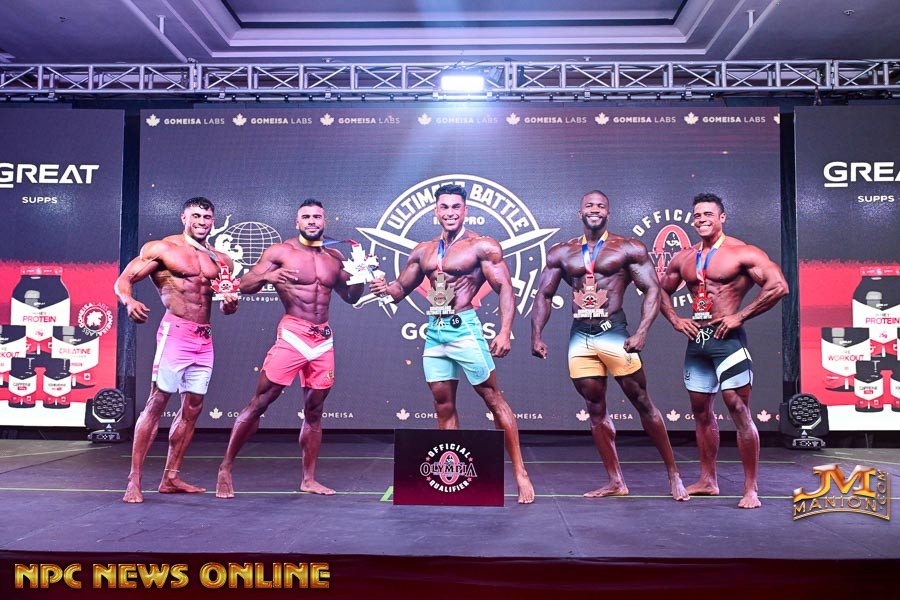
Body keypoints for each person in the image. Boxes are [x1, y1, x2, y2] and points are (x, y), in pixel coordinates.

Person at [370, 183, 535, 504]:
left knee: (492, 397)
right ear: (436, 211)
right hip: (435, 331)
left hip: (464, 328)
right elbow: (399, 290)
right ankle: (455, 473)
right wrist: (383, 289)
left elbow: (505, 288)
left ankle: (520, 473)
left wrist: (505, 331)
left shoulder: (481, 246)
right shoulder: (424, 250)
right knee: (443, 405)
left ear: (465, 210)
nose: (450, 212)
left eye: (455, 207)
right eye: (444, 207)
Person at [531, 190, 689, 501]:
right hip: (580, 335)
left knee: (642, 401)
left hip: (614, 332)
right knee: (594, 409)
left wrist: (642, 331)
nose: (595, 210)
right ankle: (616, 481)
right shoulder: (562, 252)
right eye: (589, 206)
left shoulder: (628, 248)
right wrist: (536, 335)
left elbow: (653, 289)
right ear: (580, 213)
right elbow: (544, 295)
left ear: (608, 213)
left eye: (601, 206)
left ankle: (674, 475)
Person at [216, 199, 363, 498]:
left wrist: (362, 275)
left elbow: (351, 297)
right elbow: (244, 284)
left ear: (325, 221)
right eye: (306, 217)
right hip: (294, 333)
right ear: (297, 222)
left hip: (323, 339)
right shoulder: (281, 252)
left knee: (315, 410)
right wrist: (267, 276)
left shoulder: (335, 257)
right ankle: (225, 468)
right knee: (261, 402)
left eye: (317, 216)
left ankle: (308, 479)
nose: (312, 221)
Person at [659, 193, 788, 509]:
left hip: (728, 341)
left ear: (722, 218)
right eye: (697, 215)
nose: (701, 219)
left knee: (738, 408)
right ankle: (708, 480)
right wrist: (676, 319)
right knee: (701, 412)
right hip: (698, 343)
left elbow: (779, 286)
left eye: (708, 214)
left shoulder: (741, 252)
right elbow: (659, 291)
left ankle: (751, 489)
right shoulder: (685, 258)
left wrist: (740, 315)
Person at [116, 197, 239, 503]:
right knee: (156, 403)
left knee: (192, 409)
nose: (202, 221)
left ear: (213, 221)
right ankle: (134, 480)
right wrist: (129, 301)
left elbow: (223, 306)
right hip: (176, 334)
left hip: (204, 338)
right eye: (196, 216)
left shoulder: (222, 260)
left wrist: (230, 305)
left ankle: (171, 477)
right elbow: (125, 279)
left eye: (207, 217)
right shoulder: (163, 249)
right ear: (184, 217)